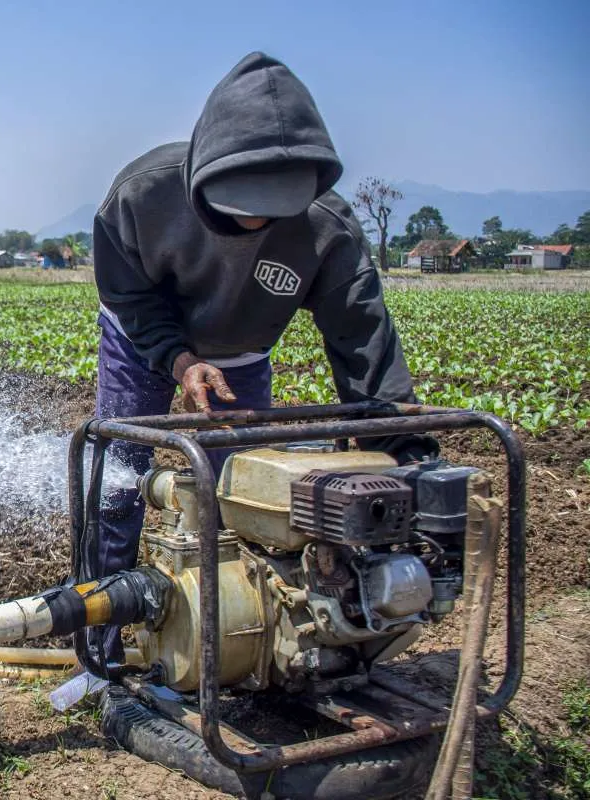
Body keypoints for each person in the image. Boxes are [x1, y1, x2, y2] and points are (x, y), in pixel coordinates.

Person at [89, 51, 436, 666]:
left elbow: (362, 339)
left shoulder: (328, 230)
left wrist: (408, 447)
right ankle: (100, 651)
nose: (252, 220)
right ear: (203, 177)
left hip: (241, 353)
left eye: (271, 210)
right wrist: (179, 360)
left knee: (245, 492)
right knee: (116, 484)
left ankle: (235, 646)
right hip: (142, 341)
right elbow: (129, 295)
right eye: (239, 205)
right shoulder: (139, 195)